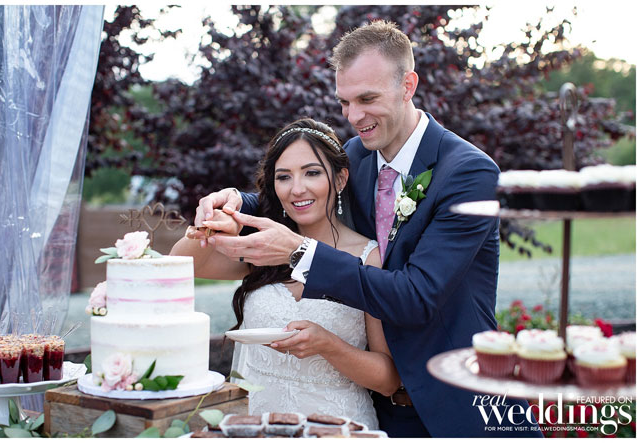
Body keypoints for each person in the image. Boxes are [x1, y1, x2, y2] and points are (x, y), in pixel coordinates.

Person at [195, 21, 542, 438]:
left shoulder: (469, 173)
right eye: (344, 102)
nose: (353, 116)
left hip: (456, 406)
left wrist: (300, 253)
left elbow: (416, 296)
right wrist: (235, 200)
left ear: (408, 85)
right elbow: (304, 195)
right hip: (375, 409)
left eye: (367, 99)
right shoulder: (356, 157)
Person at [171, 118, 400, 430]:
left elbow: (388, 379)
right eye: (284, 177)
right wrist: (211, 222)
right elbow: (180, 266)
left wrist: (328, 345)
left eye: (312, 173)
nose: (297, 189)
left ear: (340, 178)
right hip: (256, 425)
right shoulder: (262, 248)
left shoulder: (368, 257)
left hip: (336, 428)